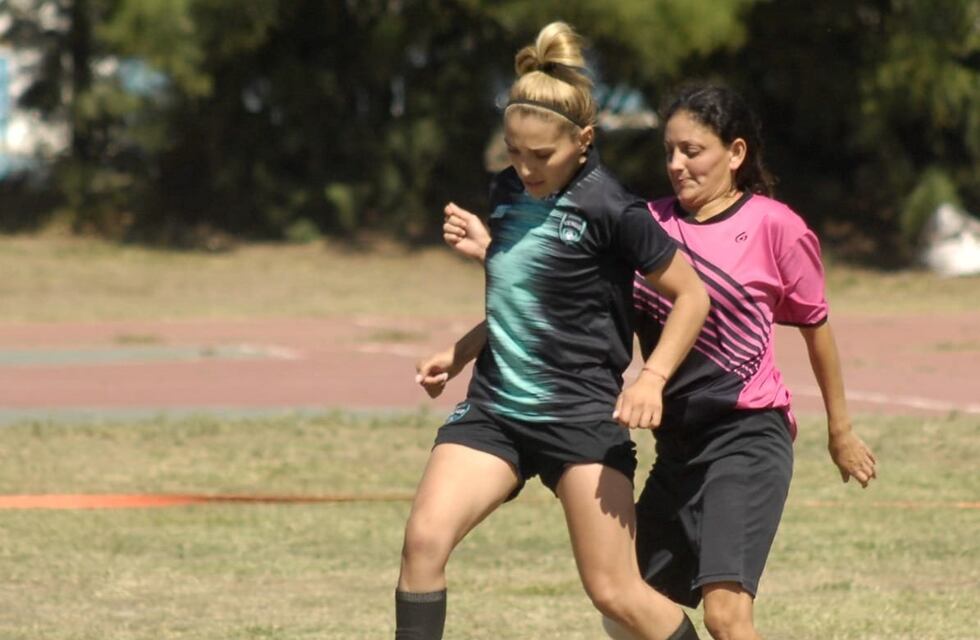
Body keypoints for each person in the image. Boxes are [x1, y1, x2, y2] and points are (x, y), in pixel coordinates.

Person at [439, 83, 878, 640]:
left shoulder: (775, 227)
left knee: (724, 615)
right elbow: (562, 306)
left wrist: (840, 431)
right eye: (668, 151)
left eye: (692, 151)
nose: (675, 165)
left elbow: (817, 329)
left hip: (746, 434)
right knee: (626, 603)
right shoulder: (643, 224)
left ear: (735, 153)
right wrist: (465, 343)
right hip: (676, 445)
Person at [396, 22, 711, 640]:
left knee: (616, 593)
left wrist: (652, 378)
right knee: (423, 543)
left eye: (542, 156)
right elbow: (530, 295)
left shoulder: (612, 208)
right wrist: (460, 353)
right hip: (496, 410)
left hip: (582, 418)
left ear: (584, 140)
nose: (526, 167)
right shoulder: (507, 193)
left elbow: (692, 296)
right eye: (514, 152)